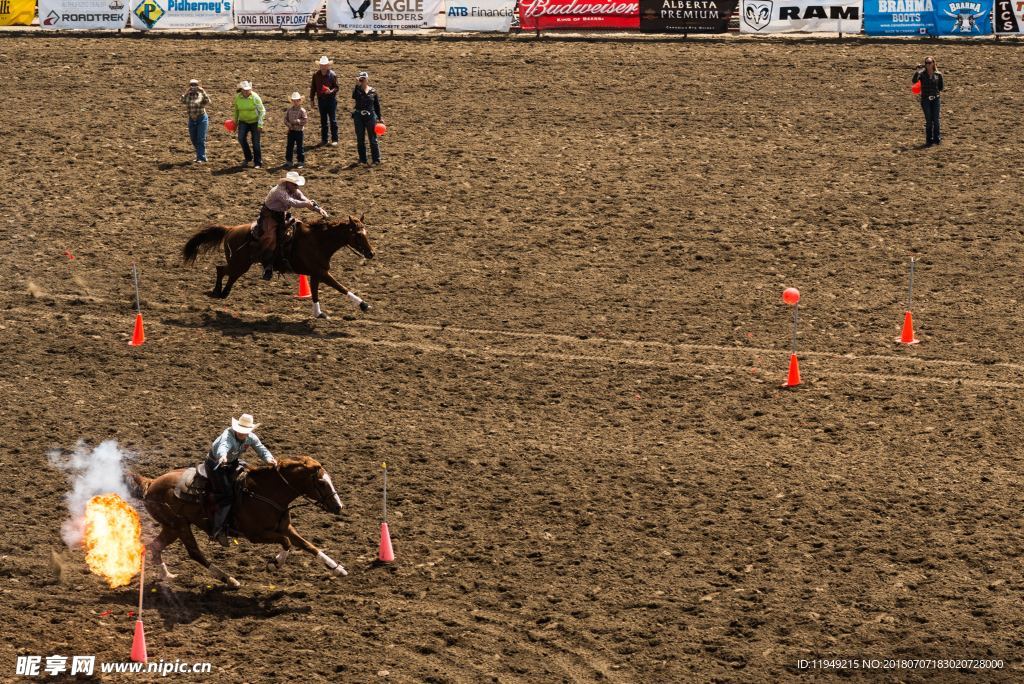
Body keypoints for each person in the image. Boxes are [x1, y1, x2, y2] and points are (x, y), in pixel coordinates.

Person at [205, 413, 277, 545]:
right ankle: (217, 530)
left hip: (232, 463)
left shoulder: (251, 438)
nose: (243, 434)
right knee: (226, 494)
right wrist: (222, 457)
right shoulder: (228, 436)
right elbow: (223, 447)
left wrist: (269, 459)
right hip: (216, 465)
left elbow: (261, 449)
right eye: (241, 431)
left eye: (245, 432)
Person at [257, 171, 326, 280]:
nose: (297, 186)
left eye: (297, 184)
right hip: (269, 215)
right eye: (295, 184)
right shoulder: (279, 191)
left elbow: (304, 200)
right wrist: (307, 204)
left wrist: (318, 209)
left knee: (298, 228)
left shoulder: (294, 190)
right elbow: (292, 202)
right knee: (270, 237)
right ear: (288, 183)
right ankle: (268, 266)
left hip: (281, 214)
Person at [351, 71, 384, 167]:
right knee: (360, 139)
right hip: (358, 116)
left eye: (363, 79)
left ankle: (376, 159)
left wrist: (380, 117)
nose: (362, 80)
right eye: (361, 79)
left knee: (373, 138)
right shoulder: (357, 90)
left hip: (371, 116)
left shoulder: (373, 91)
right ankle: (362, 159)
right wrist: (357, 86)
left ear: (367, 79)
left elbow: (376, 105)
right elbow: (354, 96)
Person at [232, 80, 266, 168]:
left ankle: (258, 162)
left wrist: (260, 124)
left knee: (256, 142)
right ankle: (248, 157)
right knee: (241, 138)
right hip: (243, 121)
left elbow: (262, 111)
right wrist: (235, 123)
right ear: (241, 90)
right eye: (245, 90)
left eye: (248, 90)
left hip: (255, 121)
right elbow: (236, 110)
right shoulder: (237, 98)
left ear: (250, 89)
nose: (247, 91)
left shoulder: (255, 97)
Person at [912, 57, 944, 147]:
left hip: (936, 99)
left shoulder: (938, 74)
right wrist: (917, 71)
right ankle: (929, 140)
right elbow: (914, 81)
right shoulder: (921, 74)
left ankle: (937, 139)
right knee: (929, 120)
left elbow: (941, 87)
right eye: (926, 63)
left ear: (933, 63)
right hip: (925, 99)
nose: (928, 64)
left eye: (930, 62)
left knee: (936, 120)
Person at [309, 56, 339, 147]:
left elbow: (337, 87)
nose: (323, 67)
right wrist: (312, 99)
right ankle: (324, 139)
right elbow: (313, 88)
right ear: (320, 65)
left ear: (328, 65)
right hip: (321, 100)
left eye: (325, 65)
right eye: (322, 65)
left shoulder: (333, 75)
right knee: (323, 120)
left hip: (331, 100)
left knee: (333, 120)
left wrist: (331, 91)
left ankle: (334, 139)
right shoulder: (316, 75)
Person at [181, 79, 211, 163]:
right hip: (192, 118)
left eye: (195, 85)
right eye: (191, 85)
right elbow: (182, 100)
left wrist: (203, 91)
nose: (193, 87)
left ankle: (201, 157)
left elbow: (208, 101)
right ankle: (201, 154)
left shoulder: (201, 94)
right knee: (193, 138)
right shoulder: (188, 95)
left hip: (201, 118)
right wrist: (186, 92)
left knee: (200, 138)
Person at [284, 92, 308, 169]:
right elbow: (285, 119)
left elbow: (305, 120)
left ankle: (300, 161)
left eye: (297, 100)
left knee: (299, 147)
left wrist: (297, 121)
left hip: (299, 131)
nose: (295, 102)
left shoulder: (302, 111)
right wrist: (289, 125)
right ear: (292, 101)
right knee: (289, 146)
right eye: (294, 100)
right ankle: (289, 161)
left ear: (300, 101)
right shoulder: (289, 110)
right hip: (291, 131)